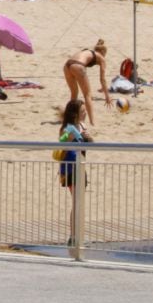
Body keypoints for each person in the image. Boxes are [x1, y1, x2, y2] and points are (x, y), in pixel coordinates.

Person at [57, 99, 93, 246]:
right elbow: (62, 142)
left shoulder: (82, 126)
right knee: (77, 202)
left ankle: (77, 235)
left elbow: (90, 144)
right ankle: (74, 236)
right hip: (71, 168)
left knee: (79, 203)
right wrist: (71, 137)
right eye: (82, 111)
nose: (85, 113)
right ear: (75, 113)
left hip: (81, 166)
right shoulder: (68, 128)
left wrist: (86, 135)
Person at [63, 40, 113, 125]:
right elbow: (102, 80)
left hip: (67, 65)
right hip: (78, 65)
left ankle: (70, 118)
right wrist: (107, 96)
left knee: (74, 93)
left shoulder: (87, 51)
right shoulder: (101, 57)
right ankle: (92, 121)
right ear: (103, 52)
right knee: (88, 95)